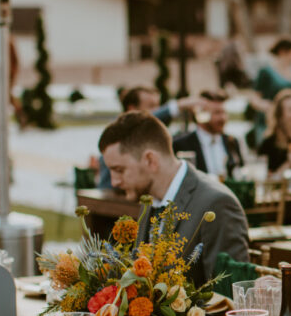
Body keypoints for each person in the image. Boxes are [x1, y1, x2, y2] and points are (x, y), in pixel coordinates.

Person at [98, 111, 249, 283]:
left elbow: (230, 296)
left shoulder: (217, 204)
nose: (114, 182)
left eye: (119, 170)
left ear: (150, 160)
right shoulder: (149, 201)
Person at [98, 86, 204, 190]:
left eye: (158, 106)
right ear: (132, 109)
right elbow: (148, 118)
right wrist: (177, 105)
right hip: (111, 197)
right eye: (151, 106)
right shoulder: (119, 132)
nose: (157, 110)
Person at [172, 89, 244, 180]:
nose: (223, 118)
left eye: (224, 112)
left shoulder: (232, 141)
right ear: (201, 114)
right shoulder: (181, 144)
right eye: (217, 113)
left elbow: (240, 174)